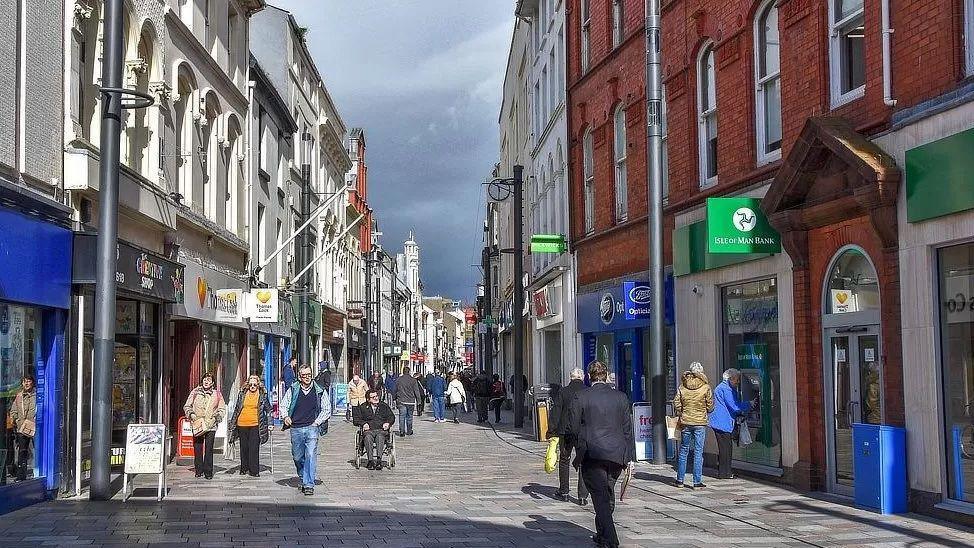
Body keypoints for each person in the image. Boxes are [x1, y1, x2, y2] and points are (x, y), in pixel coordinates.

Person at [566, 361, 634, 548]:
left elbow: (572, 427)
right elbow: (627, 429)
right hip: (616, 454)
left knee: (600, 496)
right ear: (606, 375)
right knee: (606, 493)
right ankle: (602, 534)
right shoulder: (620, 397)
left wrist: (579, 444)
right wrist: (628, 457)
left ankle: (610, 538)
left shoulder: (581, 397)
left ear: (589, 376)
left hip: (592, 453)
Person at [280, 364, 331, 495]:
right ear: (299, 377)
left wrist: (317, 422)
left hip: (311, 427)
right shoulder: (293, 388)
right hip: (296, 427)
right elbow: (284, 405)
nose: (307, 377)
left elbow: (326, 408)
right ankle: (303, 476)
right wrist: (285, 417)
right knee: (297, 456)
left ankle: (309, 484)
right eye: (304, 375)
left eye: (309, 375)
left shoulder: (319, 389)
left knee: (310, 455)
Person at [548, 368, 589, 504]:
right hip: (582, 431)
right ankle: (582, 496)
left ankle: (564, 492)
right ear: (582, 378)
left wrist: (552, 430)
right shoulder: (587, 391)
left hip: (565, 431)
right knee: (583, 461)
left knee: (564, 460)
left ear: (570, 378)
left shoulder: (563, 391)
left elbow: (556, 411)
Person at [674, 362, 714, 489]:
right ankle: (697, 482)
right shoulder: (705, 387)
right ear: (701, 372)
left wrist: (682, 411)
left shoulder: (682, 386)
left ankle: (679, 480)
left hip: (685, 422)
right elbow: (710, 405)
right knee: (698, 452)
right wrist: (706, 410)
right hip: (700, 423)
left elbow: (676, 402)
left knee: (683, 450)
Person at [709, 368, 751, 480]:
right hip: (722, 422)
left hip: (719, 421)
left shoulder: (722, 387)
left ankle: (726, 472)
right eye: (737, 380)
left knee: (725, 448)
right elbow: (734, 406)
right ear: (731, 379)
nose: (738, 382)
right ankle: (725, 473)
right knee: (725, 449)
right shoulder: (726, 389)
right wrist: (749, 404)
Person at [183, 372, 227, 480]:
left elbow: (222, 409)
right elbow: (187, 406)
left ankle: (208, 471)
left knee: (209, 448)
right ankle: (199, 470)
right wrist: (192, 415)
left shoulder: (217, 394)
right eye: (204, 379)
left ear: (212, 383)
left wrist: (216, 418)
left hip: (211, 425)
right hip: (197, 424)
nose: (206, 382)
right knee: (198, 448)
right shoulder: (195, 392)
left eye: (209, 380)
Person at [228, 375, 271, 477]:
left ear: (258, 385)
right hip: (242, 423)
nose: (252, 386)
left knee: (254, 447)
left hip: (256, 424)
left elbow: (268, 409)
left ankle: (254, 470)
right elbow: (237, 408)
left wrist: (270, 423)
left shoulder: (262, 395)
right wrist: (232, 423)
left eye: (255, 385)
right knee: (244, 447)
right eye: (250, 384)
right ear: (247, 384)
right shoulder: (242, 393)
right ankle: (244, 468)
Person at [353, 389, 396, 470]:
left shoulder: (384, 406)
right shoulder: (363, 407)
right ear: (368, 399)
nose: (376, 398)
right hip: (369, 430)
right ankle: (370, 460)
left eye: (376, 396)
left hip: (381, 429)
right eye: (373, 397)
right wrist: (363, 424)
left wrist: (388, 423)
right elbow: (356, 419)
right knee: (368, 437)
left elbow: (391, 417)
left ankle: (379, 460)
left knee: (380, 437)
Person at [9, 376, 36, 481]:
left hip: (35, 427)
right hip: (22, 428)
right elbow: (13, 411)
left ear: (32, 383)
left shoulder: (37, 395)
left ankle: (37, 472)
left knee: (36, 450)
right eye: (25, 382)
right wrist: (15, 420)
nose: (26, 383)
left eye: (29, 381)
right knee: (22, 452)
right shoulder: (19, 396)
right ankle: (21, 476)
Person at [394, 366, 425, 436]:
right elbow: (416, 391)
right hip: (410, 401)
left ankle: (402, 431)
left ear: (403, 372)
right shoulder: (413, 380)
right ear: (409, 372)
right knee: (409, 417)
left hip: (401, 400)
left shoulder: (399, 380)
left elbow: (395, 390)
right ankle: (409, 430)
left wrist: (394, 398)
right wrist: (419, 401)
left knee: (402, 416)